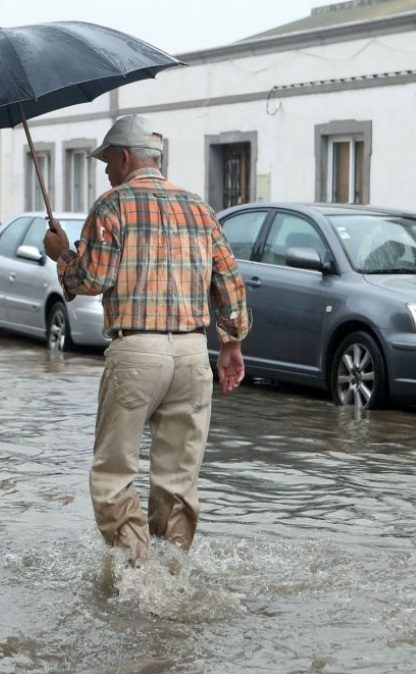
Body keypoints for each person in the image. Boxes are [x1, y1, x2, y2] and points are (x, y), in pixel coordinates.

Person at [43, 114, 250, 563]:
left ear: (123, 158)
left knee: (113, 475)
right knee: (177, 481)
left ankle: (137, 570)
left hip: (137, 352)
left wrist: (63, 256)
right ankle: (173, 572)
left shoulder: (112, 205)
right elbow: (229, 280)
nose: (104, 170)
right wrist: (231, 344)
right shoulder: (199, 207)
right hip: (194, 355)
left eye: (106, 162)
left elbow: (92, 279)